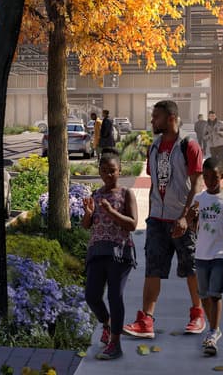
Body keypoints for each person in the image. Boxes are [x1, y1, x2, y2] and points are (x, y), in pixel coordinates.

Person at [123, 100, 205, 340]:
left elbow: (197, 184)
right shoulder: (155, 147)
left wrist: (185, 216)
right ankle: (146, 320)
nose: (152, 121)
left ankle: (197, 314)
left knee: (190, 267)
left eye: (155, 117)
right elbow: (154, 180)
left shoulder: (188, 145)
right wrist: (151, 216)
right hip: (157, 219)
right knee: (152, 269)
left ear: (171, 118)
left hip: (182, 219)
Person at [82, 150, 139, 361]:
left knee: (115, 296)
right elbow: (87, 225)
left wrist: (111, 211)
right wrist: (88, 213)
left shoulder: (126, 194)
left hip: (119, 253)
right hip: (97, 251)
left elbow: (132, 224)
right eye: (104, 171)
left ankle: (115, 343)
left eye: (112, 171)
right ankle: (107, 325)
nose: (108, 175)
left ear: (120, 171)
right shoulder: (96, 195)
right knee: (92, 295)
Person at [192, 157, 223, 358]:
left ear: (222, 176)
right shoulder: (199, 199)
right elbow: (193, 226)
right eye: (207, 177)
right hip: (201, 253)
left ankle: (212, 332)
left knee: (215, 294)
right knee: (203, 295)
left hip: (220, 253)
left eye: (215, 177)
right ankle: (214, 328)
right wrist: (192, 217)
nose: (210, 181)